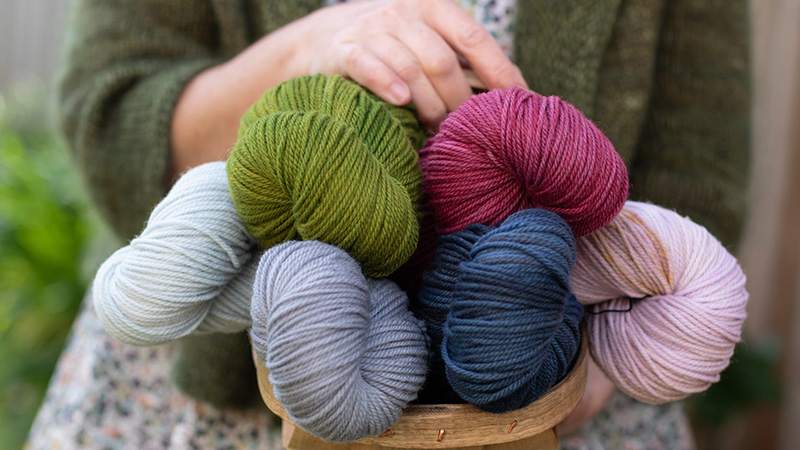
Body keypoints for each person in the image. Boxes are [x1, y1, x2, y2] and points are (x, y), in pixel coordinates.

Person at [27, 0, 750, 448]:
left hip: (566, 390)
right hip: (216, 398)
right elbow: (110, 118)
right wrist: (302, 52)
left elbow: (698, 170)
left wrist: (570, 377)